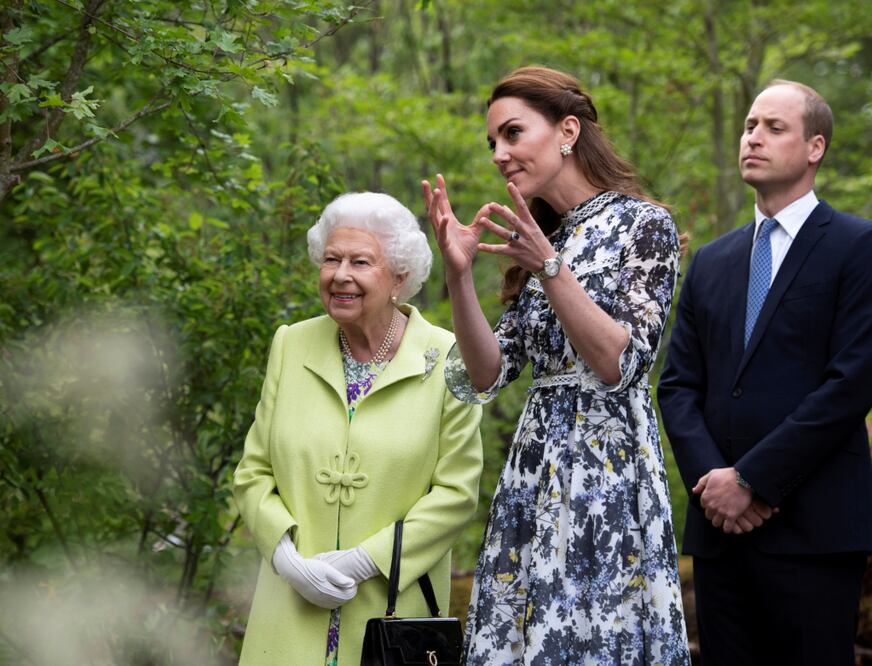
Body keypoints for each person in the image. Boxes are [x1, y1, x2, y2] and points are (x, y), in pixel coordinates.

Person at [423, 66, 690, 665]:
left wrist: (550, 268)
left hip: (606, 478)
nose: (499, 153)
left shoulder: (644, 226)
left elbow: (618, 361)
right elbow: (486, 374)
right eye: (492, 142)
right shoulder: (541, 238)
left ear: (568, 130)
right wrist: (458, 274)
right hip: (534, 470)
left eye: (513, 133)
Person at [658, 80, 872, 665]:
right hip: (720, 532)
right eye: (750, 125)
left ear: (815, 147)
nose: (753, 136)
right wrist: (715, 485)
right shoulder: (712, 260)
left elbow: (851, 383)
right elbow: (678, 386)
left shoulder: (858, 246)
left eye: (774, 127)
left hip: (816, 528)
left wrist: (751, 480)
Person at [232, 191, 483, 666]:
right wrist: (287, 559)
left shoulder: (449, 357)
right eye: (331, 259)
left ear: (399, 277)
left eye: (360, 261)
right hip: (289, 609)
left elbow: (456, 492)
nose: (340, 275)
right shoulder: (291, 344)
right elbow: (253, 472)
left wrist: (364, 560)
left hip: (389, 620)